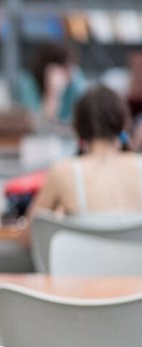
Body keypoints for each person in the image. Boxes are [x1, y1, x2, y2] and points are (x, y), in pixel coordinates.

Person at [24, 85, 140, 233]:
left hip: (82, 256)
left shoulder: (63, 172)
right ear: (123, 124)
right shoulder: (138, 165)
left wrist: (61, 221)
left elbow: (29, 235)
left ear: (77, 128)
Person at [17, 41, 87, 123]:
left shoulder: (76, 78)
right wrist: (53, 93)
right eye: (65, 67)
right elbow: (39, 123)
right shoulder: (29, 83)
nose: (69, 72)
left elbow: (85, 116)